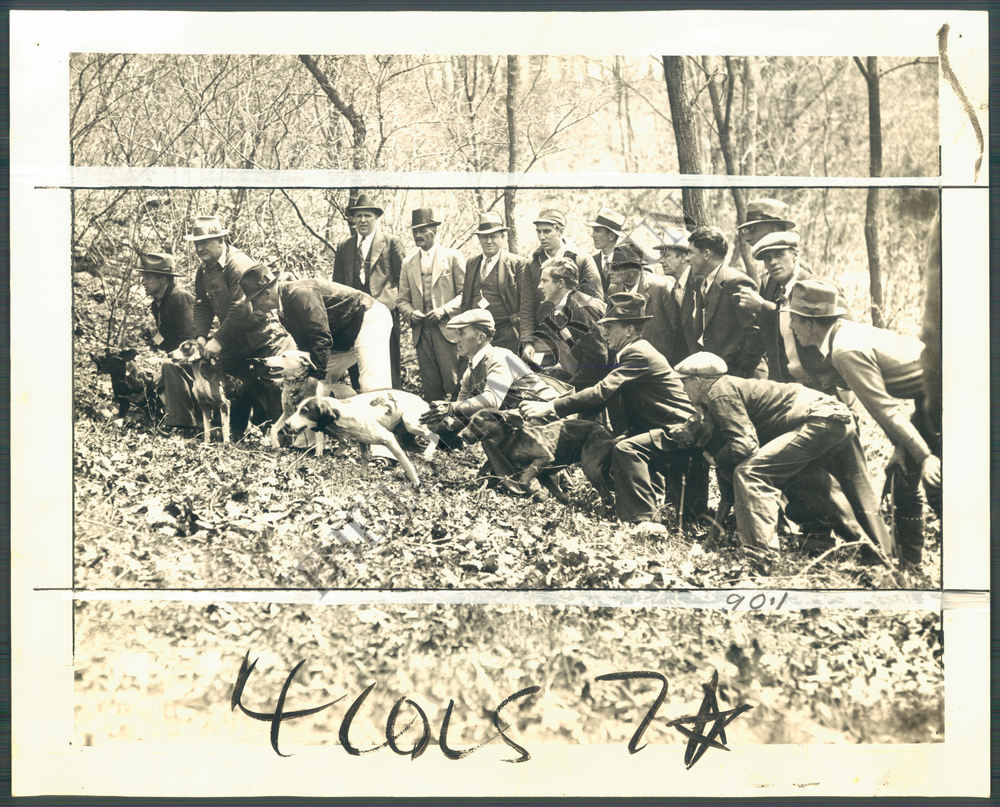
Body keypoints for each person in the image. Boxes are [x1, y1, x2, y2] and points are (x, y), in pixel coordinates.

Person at [788, 279, 941, 567]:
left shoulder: (845, 351)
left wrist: (926, 456)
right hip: (930, 394)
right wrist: (903, 449)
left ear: (811, 323)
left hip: (946, 393)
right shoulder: (841, 336)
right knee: (901, 475)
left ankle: (968, 561)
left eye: (795, 320)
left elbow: (884, 409)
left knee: (935, 481)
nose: (791, 327)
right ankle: (910, 569)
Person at [675, 351, 886, 556]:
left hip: (819, 418)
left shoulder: (719, 392)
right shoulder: (728, 388)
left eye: (685, 382)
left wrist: (716, 460)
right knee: (820, 481)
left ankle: (759, 553)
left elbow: (745, 445)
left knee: (750, 473)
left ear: (699, 381)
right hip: (835, 416)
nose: (683, 389)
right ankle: (877, 552)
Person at [521, 293, 707, 524]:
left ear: (629, 330)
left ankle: (644, 520)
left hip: (680, 435)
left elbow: (601, 391)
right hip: (673, 433)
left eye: (610, 327)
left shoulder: (637, 352)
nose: (603, 332)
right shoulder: (633, 352)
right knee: (688, 517)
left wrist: (550, 406)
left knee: (625, 450)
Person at [187, 215, 292, 437]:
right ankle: (236, 434)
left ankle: (284, 439)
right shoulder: (203, 270)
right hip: (235, 339)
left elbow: (241, 307)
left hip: (263, 336)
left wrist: (218, 340)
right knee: (234, 385)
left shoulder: (239, 265)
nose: (199, 248)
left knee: (273, 385)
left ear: (220, 241)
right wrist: (200, 336)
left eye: (205, 242)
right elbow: (202, 305)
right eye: (197, 243)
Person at [238, 266, 392, 390]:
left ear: (266, 293)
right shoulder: (283, 310)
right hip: (344, 335)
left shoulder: (300, 294)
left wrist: (314, 376)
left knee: (373, 384)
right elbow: (307, 347)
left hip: (369, 319)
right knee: (319, 387)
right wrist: (307, 376)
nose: (254, 307)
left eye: (253, 301)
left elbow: (321, 337)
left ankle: (389, 425)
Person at [735, 231, 843, 390]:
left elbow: (844, 337)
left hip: (822, 388)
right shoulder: (776, 289)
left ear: (795, 255)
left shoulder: (818, 287)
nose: (773, 262)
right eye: (767, 258)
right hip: (788, 387)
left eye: (779, 254)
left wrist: (838, 382)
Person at [332, 193, 407, 388]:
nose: (363, 220)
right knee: (357, 365)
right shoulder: (345, 247)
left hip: (384, 314)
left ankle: (394, 408)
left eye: (367, 216)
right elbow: (337, 285)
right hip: (353, 317)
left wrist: (390, 304)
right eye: (359, 216)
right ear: (353, 219)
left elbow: (403, 281)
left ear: (376, 218)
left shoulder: (391, 243)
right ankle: (363, 407)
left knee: (388, 366)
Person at [396, 207, 466, 400]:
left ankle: (459, 424)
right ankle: (436, 427)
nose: (418, 235)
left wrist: (444, 310)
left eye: (422, 231)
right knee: (431, 386)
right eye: (415, 231)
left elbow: (465, 295)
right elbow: (402, 300)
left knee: (454, 382)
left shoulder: (452, 257)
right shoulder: (408, 262)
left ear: (434, 231)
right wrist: (410, 313)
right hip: (421, 331)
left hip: (448, 331)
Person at [519, 208, 605, 361]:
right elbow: (527, 305)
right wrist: (527, 342)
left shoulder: (581, 259)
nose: (542, 237)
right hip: (544, 338)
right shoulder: (532, 263)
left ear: (560, 231)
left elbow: (595, 302)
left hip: (575, 339)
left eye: (547, 231)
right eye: (538, 232)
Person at [680, 225, 762, 378]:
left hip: (737, 378)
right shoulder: (700, 283)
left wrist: (738, 375)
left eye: (690, 252)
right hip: (713, 377)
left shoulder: (736, 282)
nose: (687, 258)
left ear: (706, 254)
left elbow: (754, 334)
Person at [524, 256, 608, 392]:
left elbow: (597, 361)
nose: (539, 286)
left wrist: (569, 392)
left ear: (560, 283)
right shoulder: (565, 306)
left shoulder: (581, 309)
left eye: (544, 281)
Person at [139, 252, 197, 429]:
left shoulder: (180, 298)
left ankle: (183, 423)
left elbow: (191, 341)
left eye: (148, 278)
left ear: (163, 280)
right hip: (175, 358)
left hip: (192, 362)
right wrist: (153, 340)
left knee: (167, 367)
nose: (143, 282)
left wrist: (170, 358)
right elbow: (166, 339)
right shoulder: (157, 304)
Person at [459, 212, 526, 352]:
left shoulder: (517, 263)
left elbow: (525, 303)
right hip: (477, 334)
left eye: (493, 236)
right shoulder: (472, 263)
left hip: (506, 332)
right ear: (479, 238)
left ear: (502, 237)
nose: (488, 241)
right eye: (484, 237)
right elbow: (465, 300)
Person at [605, 245, 678, 363]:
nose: (609, 272)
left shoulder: (662, 288)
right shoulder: (613, 290)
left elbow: (677, 331)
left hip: (659, 362)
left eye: (615, 268)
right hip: (627, 362)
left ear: (632, 271)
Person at [587, 207, 627, 295]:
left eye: (597, 231)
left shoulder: (627, 262)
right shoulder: (591, 261)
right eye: (593, 230)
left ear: (611, 236)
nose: (592, 235)